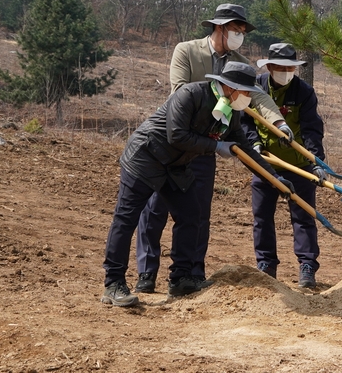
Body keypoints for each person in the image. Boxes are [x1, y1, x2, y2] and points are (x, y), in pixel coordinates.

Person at [134, 3, 289, 294]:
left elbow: (259, 98)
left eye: (242, 32)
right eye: (235, 30)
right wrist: (220, 96)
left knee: (198, 213)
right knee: (155, 210)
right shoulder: (187, 51)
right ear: (219, 28)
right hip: (175, 141)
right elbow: (180, 90)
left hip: (211, 145)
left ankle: (191, 272)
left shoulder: (240, 63)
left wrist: (278, 123)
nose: (239, 36)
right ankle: (146, 272)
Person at [101, 62, 266, 306]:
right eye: (246, 91)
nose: (248, 97)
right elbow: (176, 134)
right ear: (230, 87)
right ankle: (113, 284)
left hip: (176, 166)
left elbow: (243, 146)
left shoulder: (231, 111)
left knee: (191, 215)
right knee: (126, 219)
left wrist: (272, 176)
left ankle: (181, 279)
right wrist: (216, 146)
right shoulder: (190, 94)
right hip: (146, 157)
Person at [245, 43, 326, 288]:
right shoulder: (255, 87)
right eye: (280, 67)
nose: (286, 71)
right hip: (266, 163)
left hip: (298, 165)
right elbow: (245, 122)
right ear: (269, 67)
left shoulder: (304, 92)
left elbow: (312, 129)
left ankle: (307, 266)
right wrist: (254, 144)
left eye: (290, 67)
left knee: (304, 217)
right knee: (262, 217)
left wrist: (316, 161)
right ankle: (266, 264)